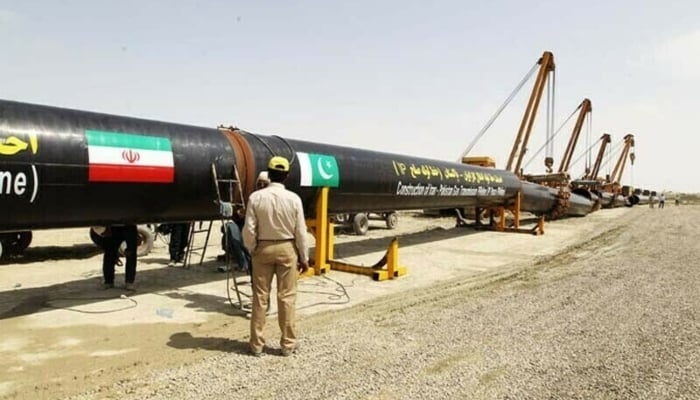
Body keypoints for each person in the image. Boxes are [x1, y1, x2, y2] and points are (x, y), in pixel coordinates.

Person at [243, 156, 309, 357]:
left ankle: (256, 345)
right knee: (287, 297)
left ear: (268, 174)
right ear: (286, 176)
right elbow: (301, 232)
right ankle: (288, 344)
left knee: (260, 297)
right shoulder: (294, 199)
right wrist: (304, 257)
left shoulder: (256, 197)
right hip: (287, 248)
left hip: (262, 249)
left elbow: (249, 229)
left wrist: (252, 248)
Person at [101, 224, 138, 290]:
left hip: (129, 225)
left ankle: (129, 282)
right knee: (109, 254)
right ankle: (108, 281)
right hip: (114, 226)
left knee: (131, 253)